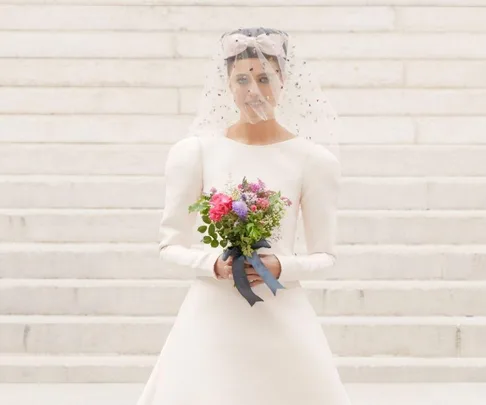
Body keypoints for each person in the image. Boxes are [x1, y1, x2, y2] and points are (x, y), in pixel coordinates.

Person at [136, 27, 351, 405]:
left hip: (279, 312)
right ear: (228, 85)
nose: (253, 90)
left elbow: (325, 255)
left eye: (264, 77)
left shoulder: (312, 161)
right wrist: (213, 264)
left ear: (283, 81)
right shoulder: (196, 153)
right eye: (242, 79)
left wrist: (281, 265)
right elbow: (170, 245)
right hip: (210, 316)